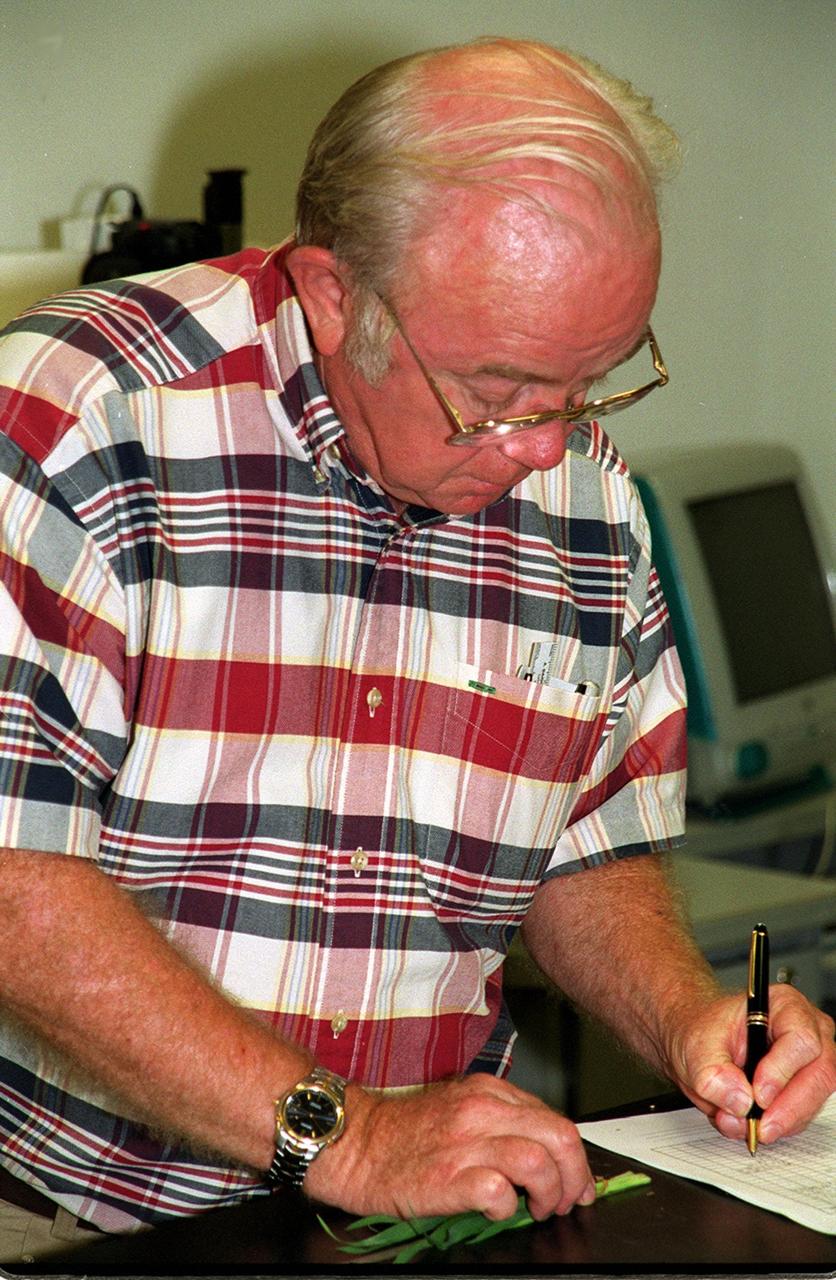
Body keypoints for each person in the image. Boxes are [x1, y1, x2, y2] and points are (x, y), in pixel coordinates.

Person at [0, 36, 832, 1261]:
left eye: (592, 382)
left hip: (412, 1220)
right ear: (337, 295)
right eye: (496, 389)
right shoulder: (77, 423)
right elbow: (16, 882)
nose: (546, 448)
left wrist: (688, 1018)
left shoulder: (581, 493)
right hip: (69, 1219)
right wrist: (345, 1136)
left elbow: (585, 843)